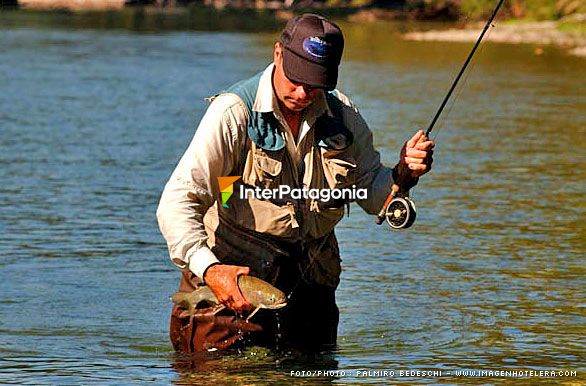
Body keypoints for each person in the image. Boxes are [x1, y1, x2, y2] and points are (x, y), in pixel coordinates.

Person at [157, 13, 434, 353]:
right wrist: (210, 269)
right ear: (278, 54)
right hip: (229, 283)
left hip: (311, 284)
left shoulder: (343, 118)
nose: (304, 93)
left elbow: (373, 193)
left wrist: (402, 174)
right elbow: (178, 202)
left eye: (316, 83)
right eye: (297, 79)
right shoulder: (232, 115)